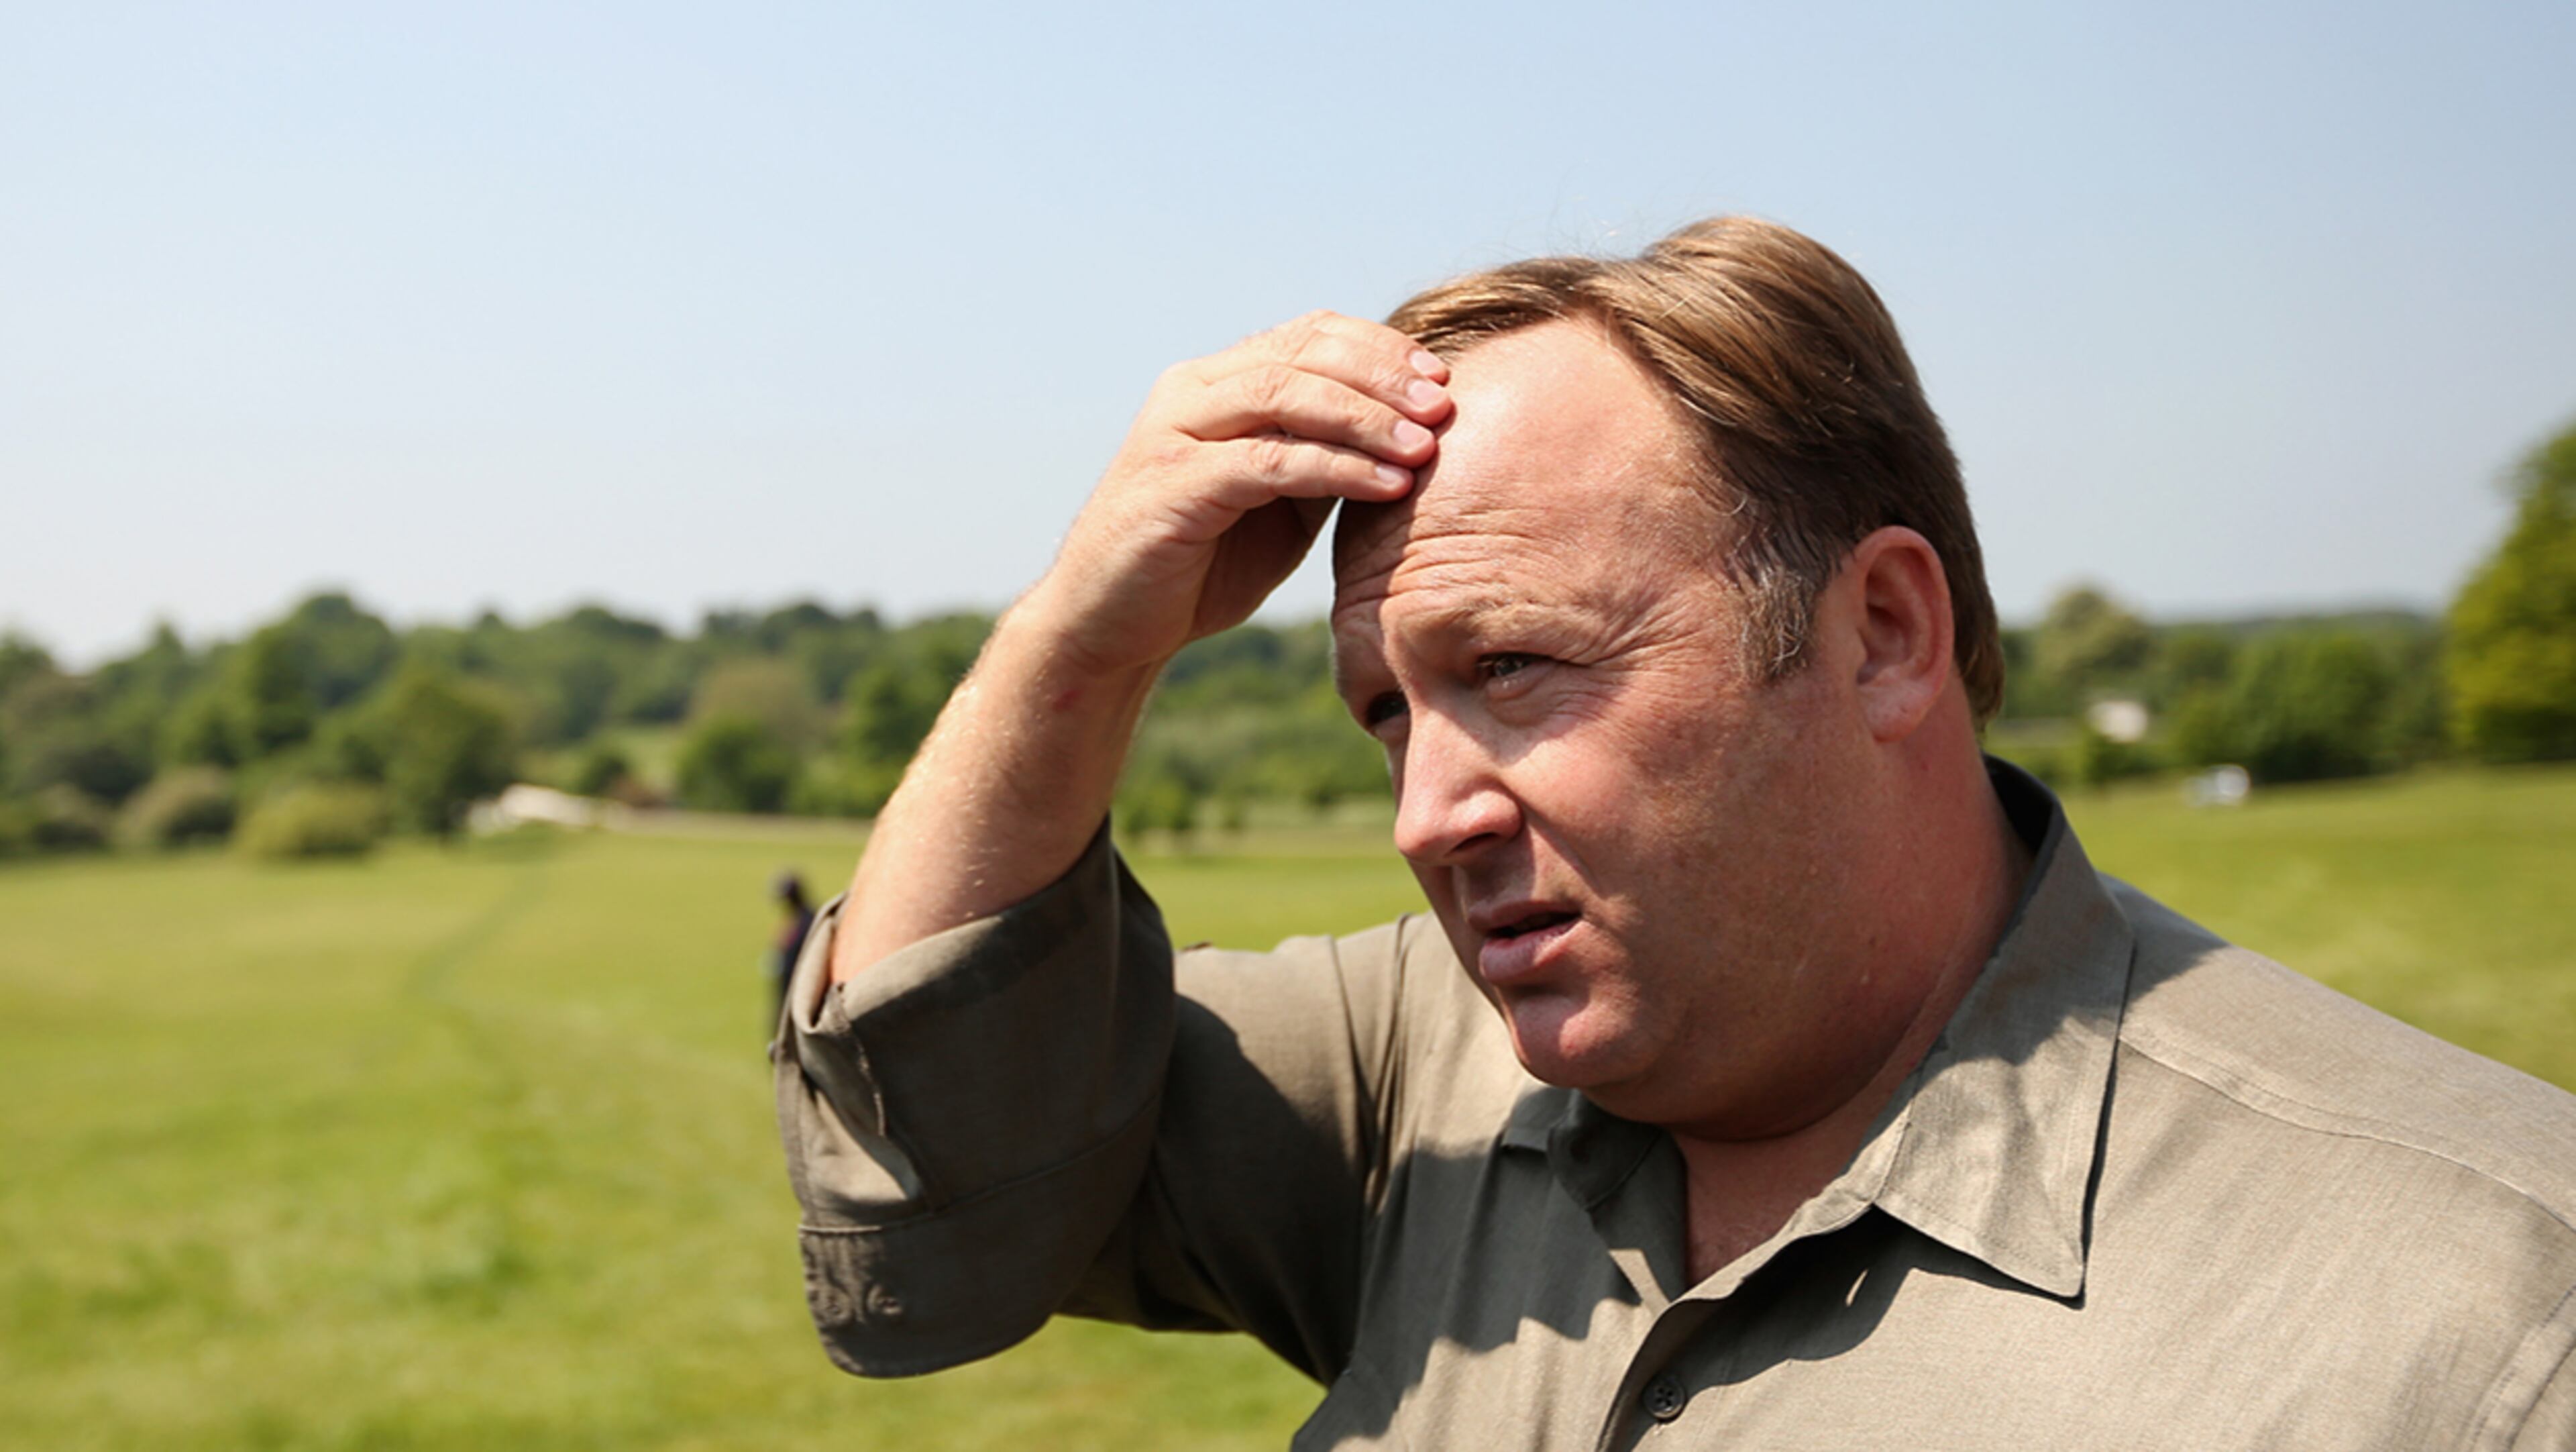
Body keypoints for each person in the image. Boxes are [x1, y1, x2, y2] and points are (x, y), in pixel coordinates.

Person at [772, 218, 2576, 1448]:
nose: (1427, 810)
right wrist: (1082, 641)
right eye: (1387, 706)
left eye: (1523, 665)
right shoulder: (1426, 1067)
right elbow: (930, 1179)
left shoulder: (2482, 1314)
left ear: (1882, 631)